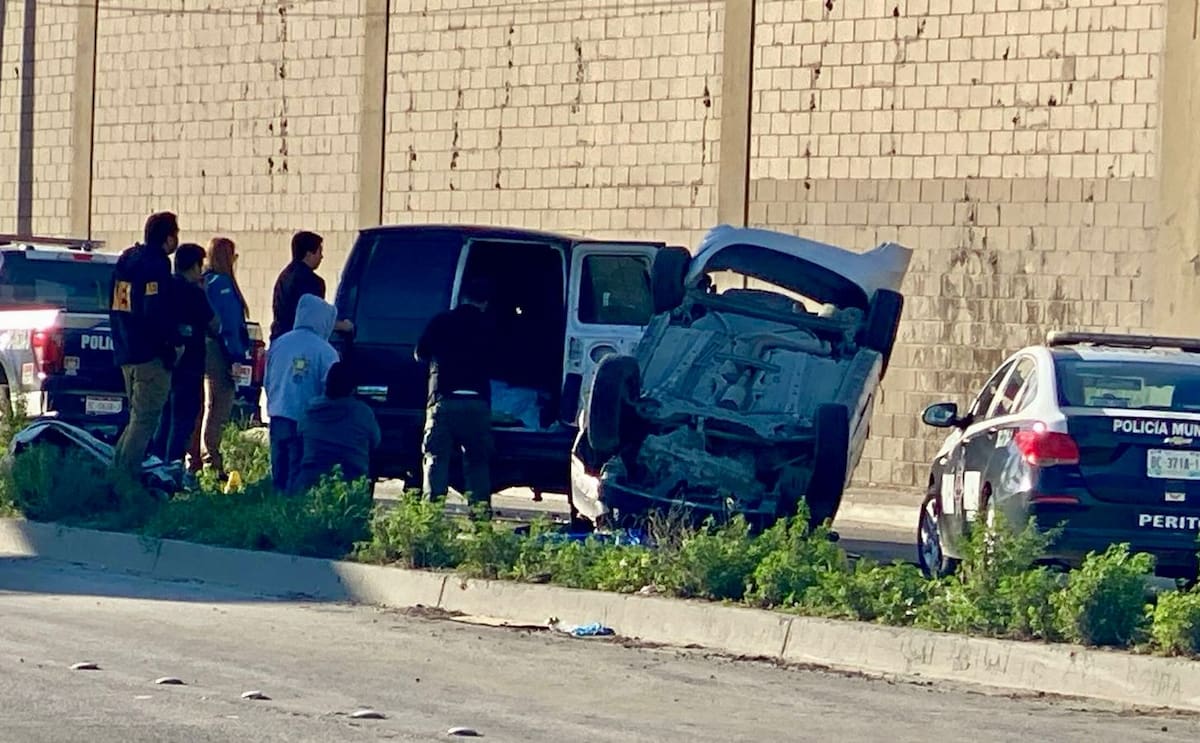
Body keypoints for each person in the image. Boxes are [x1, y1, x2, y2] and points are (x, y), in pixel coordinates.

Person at [109, 211, 184, 476]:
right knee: (145, 421)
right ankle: (124, 481)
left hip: (126, 350)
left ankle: (116, 473)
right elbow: (155, 312)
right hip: (149, 356)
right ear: (168, 237)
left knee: (135, 419)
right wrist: (172, 344)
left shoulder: (128, 260)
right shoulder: (156, 265)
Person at [414, 278, 496, 506]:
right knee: (478, 464)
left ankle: (430, 519)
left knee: (436, 461)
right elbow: (500, 362)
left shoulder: (442, 321)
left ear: (462, 298)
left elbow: (420, 353)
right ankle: (480, 521)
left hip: (444, 401)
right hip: (477, 403)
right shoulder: (489, 325)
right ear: (485, 303)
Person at [187, 236, 251, 478]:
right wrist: (236, 355)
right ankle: (212, 459)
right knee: (219, 405)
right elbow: (230, 324)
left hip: (201, 348)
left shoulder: (204, 282)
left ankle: (195, 457)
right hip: (219, 350)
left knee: (201, 406)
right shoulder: (223, 285)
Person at [264, 293, 339, 493]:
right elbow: (331, 390)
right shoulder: (327, 352)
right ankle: (293, 514)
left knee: (278, 471)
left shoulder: (280, 343)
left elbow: (268, 379)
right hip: (306, 420)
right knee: (297, 473)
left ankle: (274, 510)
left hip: (278, 415)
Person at [150, 243, 215, 470]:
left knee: (165, 414)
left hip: (167, 360)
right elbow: (214, 324)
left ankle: (156, 462)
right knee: (185, 416)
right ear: (195, 266)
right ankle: (174, 465)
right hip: (191, 363)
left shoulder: (165, 288)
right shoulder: (194, 293)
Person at [294, 361, 381, 493]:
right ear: (353, 388)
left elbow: (299, 437)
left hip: (311, 480)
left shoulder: (309, 411)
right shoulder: (362, 412)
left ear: (326, 384)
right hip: (351, 479)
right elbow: (376, 441)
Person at [269, 230, 352, 342]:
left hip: (279, 342)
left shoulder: (283, 277)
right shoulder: (313, 282)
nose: (322, 257)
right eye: (319, 252)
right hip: (301, 345)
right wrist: (344, 326)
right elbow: (316, 320)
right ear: (309, 254)